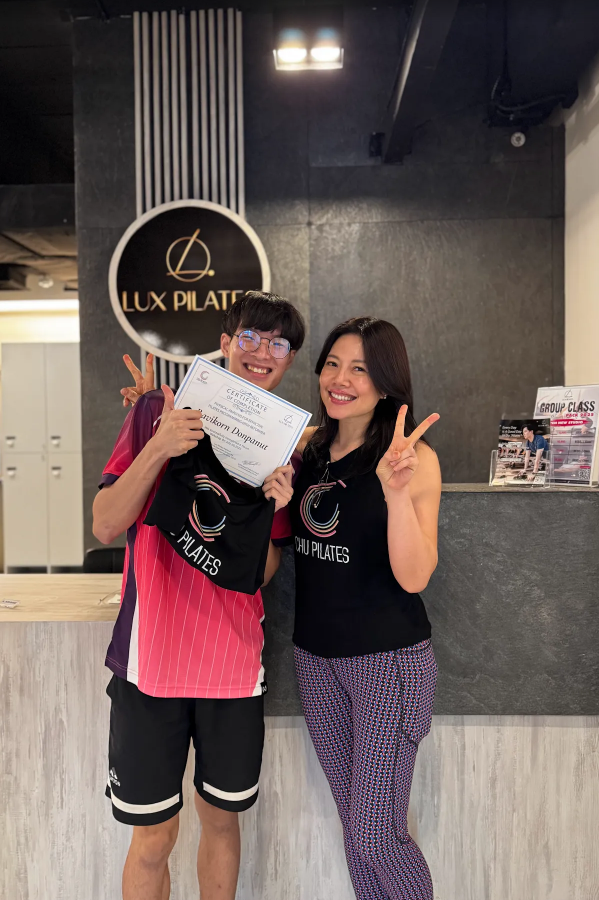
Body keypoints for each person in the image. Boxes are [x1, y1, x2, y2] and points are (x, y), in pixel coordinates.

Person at [94, 290, 304, 900]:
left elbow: (260, 575)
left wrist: (274, 505)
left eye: (279, 344)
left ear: (289, 359)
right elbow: (105, 524)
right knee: (153, 837)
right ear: (226, 342)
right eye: (251, 337)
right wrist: (160, 445)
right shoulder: (155, 411)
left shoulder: (282, 446)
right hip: (150, 664)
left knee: (221, 821)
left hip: (231, 668)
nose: (262, 352)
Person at [291, 317, 441, 900]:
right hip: (315, 660)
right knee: (358, 833)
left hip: (387, 664)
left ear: (385, 383)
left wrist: (395, 494)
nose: (340, 379)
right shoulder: (308, 450)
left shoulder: (411, 459)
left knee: (377, 836)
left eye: (359, 369)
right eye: (332, 364)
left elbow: (415, 576)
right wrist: (153, 413)